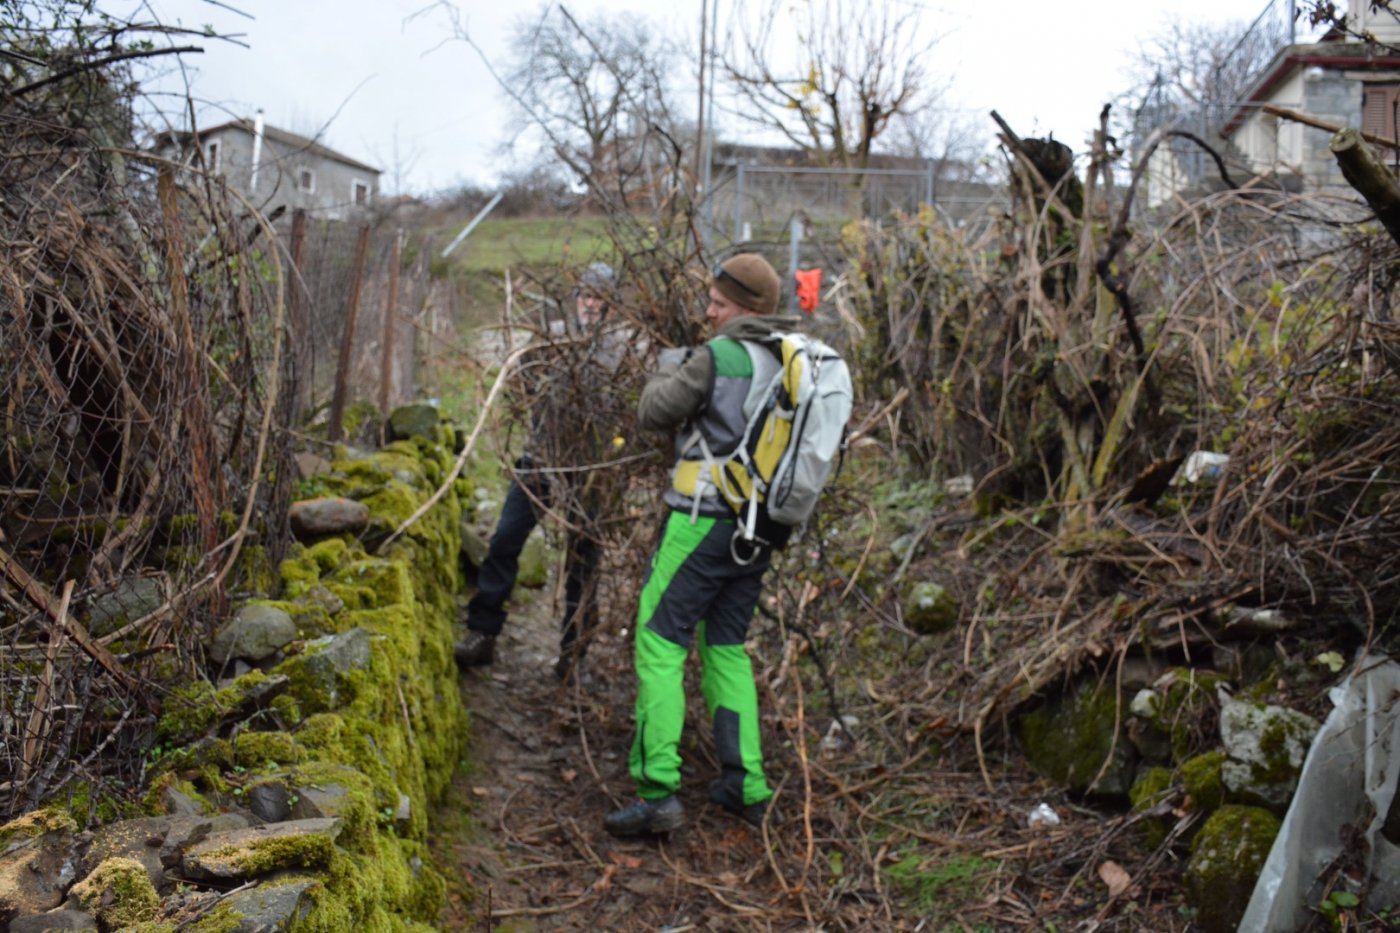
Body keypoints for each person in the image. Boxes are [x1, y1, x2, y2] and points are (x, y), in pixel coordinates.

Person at [604, 253, 792, 837]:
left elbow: (653, 412)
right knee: (727, 648)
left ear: (745, 307)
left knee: (660, 644)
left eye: (718, 302)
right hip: (755, 530)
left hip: (700, 521)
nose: (708, 310)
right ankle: (746, 784)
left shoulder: (718, 357)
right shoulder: (788, 360)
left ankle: (658, 791)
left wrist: (668, 370)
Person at [455, 261, 623, 680]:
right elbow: (520, 386)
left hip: (592, 469)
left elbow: (629, 409)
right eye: (585, 295)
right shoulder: (551, 339)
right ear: (575, 298)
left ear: (612, 305)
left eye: (599, 298)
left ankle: (574, 654)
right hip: (540, 460)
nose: (590, 304)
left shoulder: (622, 351)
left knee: (584, 561)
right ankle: (483, 634)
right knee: (506, 539)